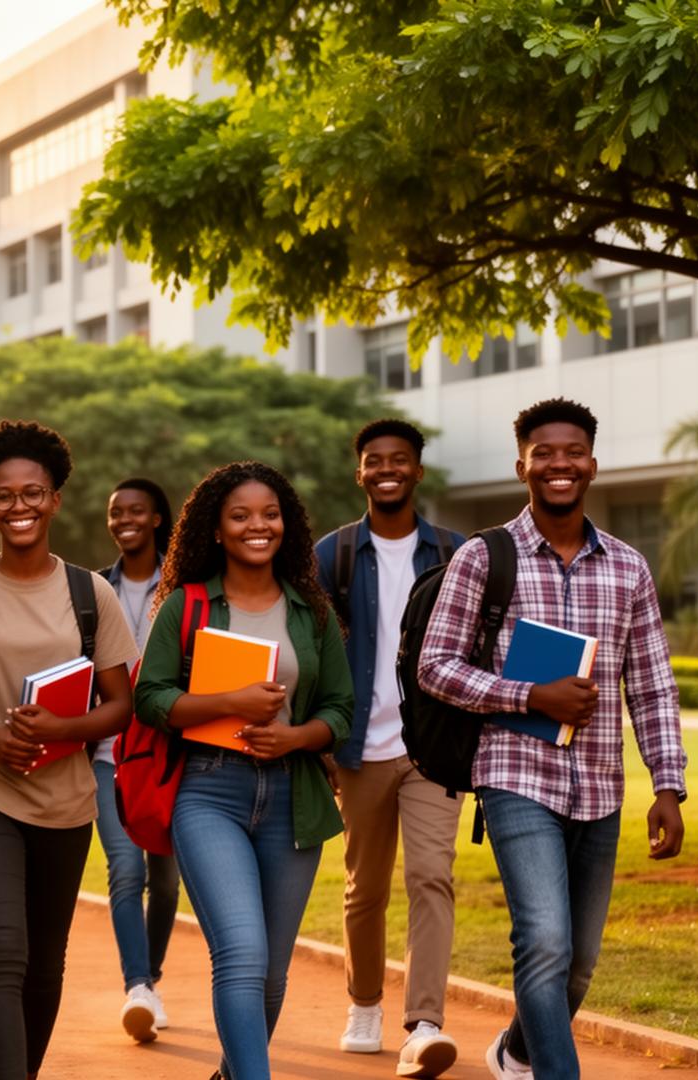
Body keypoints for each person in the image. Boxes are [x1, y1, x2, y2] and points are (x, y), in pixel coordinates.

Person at [417, 399, 687, 1080]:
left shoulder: (628, 568)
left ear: (592, 464)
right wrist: (528, 695)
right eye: (544, 454)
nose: (558, 464)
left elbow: (651, 685)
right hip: (515, 776)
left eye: (572, 453)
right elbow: (435, 666)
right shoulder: (483, 557)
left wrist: (668, 784)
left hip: (600, 785)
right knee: (543, 941)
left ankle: (515, 1051)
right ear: (523, 466)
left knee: (578, 964)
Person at [0, 421, 140, 1080]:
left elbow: (120, 706)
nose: (19, 507)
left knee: (47, 960)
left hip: (66, 798)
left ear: (55, 501)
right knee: (2, 950)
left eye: (32, 494)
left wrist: (58, 731)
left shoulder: (89, 594)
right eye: (4, 496)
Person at [133, 460, 354, 1080]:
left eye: (270, 514)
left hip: (294, 799)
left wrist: (294, 738)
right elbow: (150, 698)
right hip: (209, 792)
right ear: (216, 530)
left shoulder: (310, 611)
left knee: (272, 972)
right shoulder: (188, 603)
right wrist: (228, 703)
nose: (258, 526)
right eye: (241, 516)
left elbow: (341, 708)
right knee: (241, 954)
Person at [311, 418, 467, 1077]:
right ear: (361, 473)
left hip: (433, 748)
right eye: (375, 460)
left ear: (417, 472)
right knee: (363, 889)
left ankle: (425, 1021)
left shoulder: (459, 553)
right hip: (359, 746)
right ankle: (364, 1002)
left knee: (432, 876)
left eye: (399, 460)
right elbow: (311, 648)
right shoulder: (333, 554)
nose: (386, 469)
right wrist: (319, 738)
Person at [94, 476, 180, 1042]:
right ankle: (138, 986)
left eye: (136, 510)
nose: (124, 518)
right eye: (115, 511)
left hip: (171, 753)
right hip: (106, 753)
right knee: (125, 869)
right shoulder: (93, 588)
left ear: (156, 519)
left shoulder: (182, 588)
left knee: (166, 879)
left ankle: (151, 976)